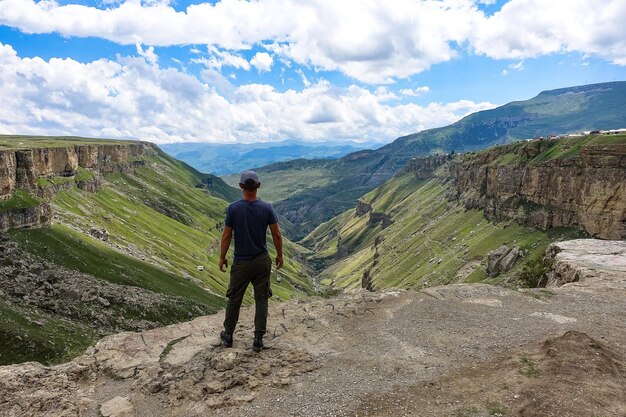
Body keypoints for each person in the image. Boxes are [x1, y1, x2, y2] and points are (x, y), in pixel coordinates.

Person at [218, 170, 283, 352]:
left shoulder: (233, 208)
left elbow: (226, 235)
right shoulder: (266, 208)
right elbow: (276, 234)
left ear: (240, 186)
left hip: (241, 262)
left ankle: (229, 334)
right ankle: (258, 339)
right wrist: (280, 255)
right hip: (261, 260)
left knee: (234, 299)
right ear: (258, 186)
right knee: (261, 299)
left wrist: (222, 257)